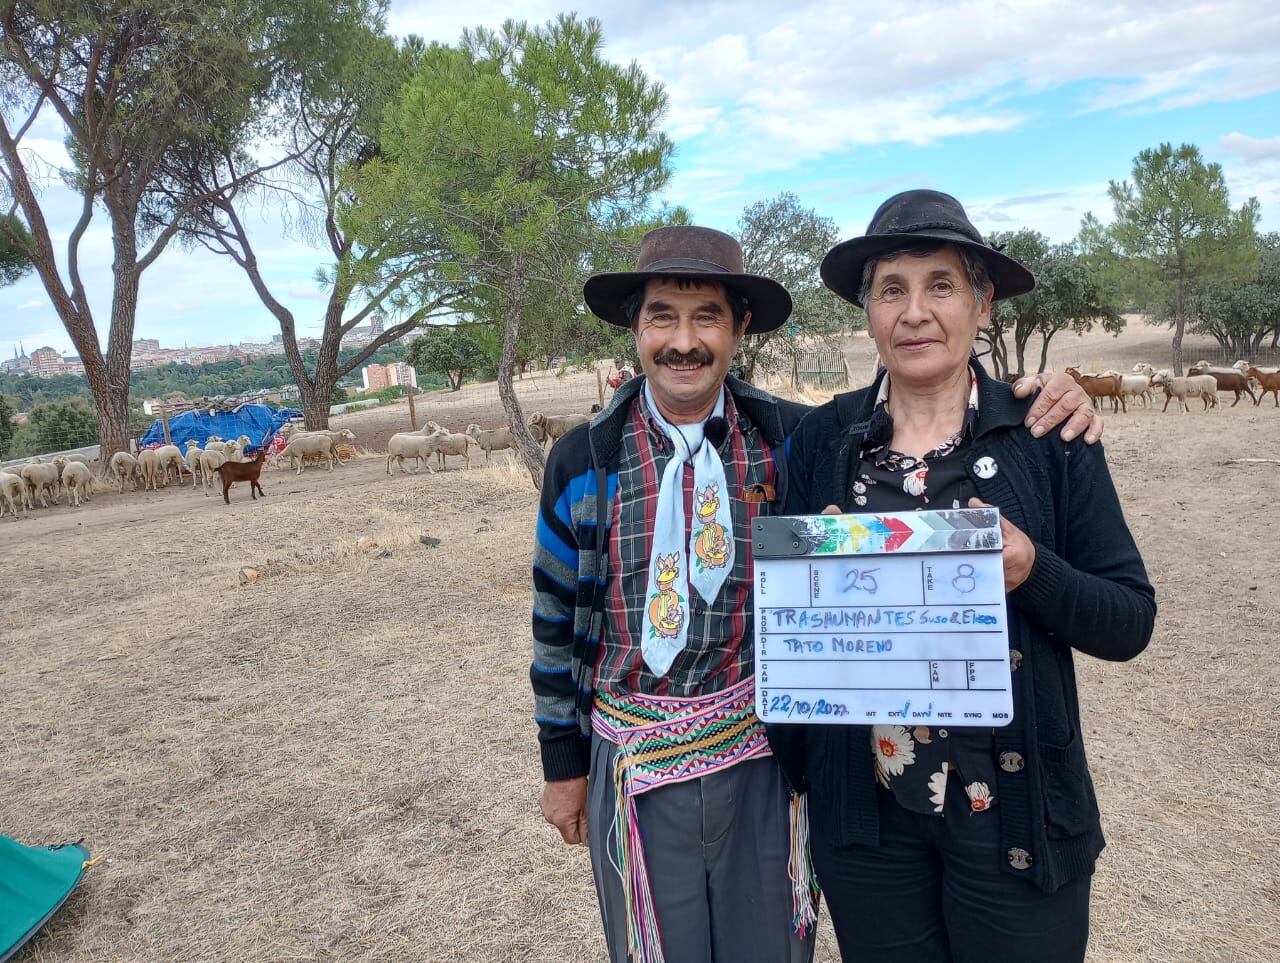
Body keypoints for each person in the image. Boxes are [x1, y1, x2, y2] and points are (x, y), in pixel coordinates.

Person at [530, 225, 1102, 963]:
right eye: (661, 316)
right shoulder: (584, 460)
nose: (683, 341)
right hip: (633, 759)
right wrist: (562, 765)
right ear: (634, 330)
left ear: (740, 329)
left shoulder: (792, 440)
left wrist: (1055, 391)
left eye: (707, 317)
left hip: (760, 753)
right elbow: (554, 619)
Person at [771, 190, 1157, 963]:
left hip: (1015, 816)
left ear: (983, 304)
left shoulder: (1046, 432)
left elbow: (1129, 618)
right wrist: (797, 771)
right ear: (868, 312)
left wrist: (1032, 570)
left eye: (941, 285)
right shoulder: (823, 438)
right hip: (866, 824)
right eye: (891, 289)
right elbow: (790, 622)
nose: (916, 311)